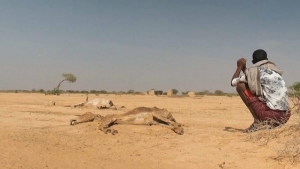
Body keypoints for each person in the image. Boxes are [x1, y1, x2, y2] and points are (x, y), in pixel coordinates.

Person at [231, 49, 291, 132]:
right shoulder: (275, 71)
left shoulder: (255, 72)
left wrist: (239, 67)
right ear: (267, 59)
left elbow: (233, 82)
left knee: (240, 86)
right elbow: (251, 76)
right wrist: (244, 69)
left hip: (271, 116)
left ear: (253, 62)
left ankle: (257, 122)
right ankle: (267, 123)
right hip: (285, 116)